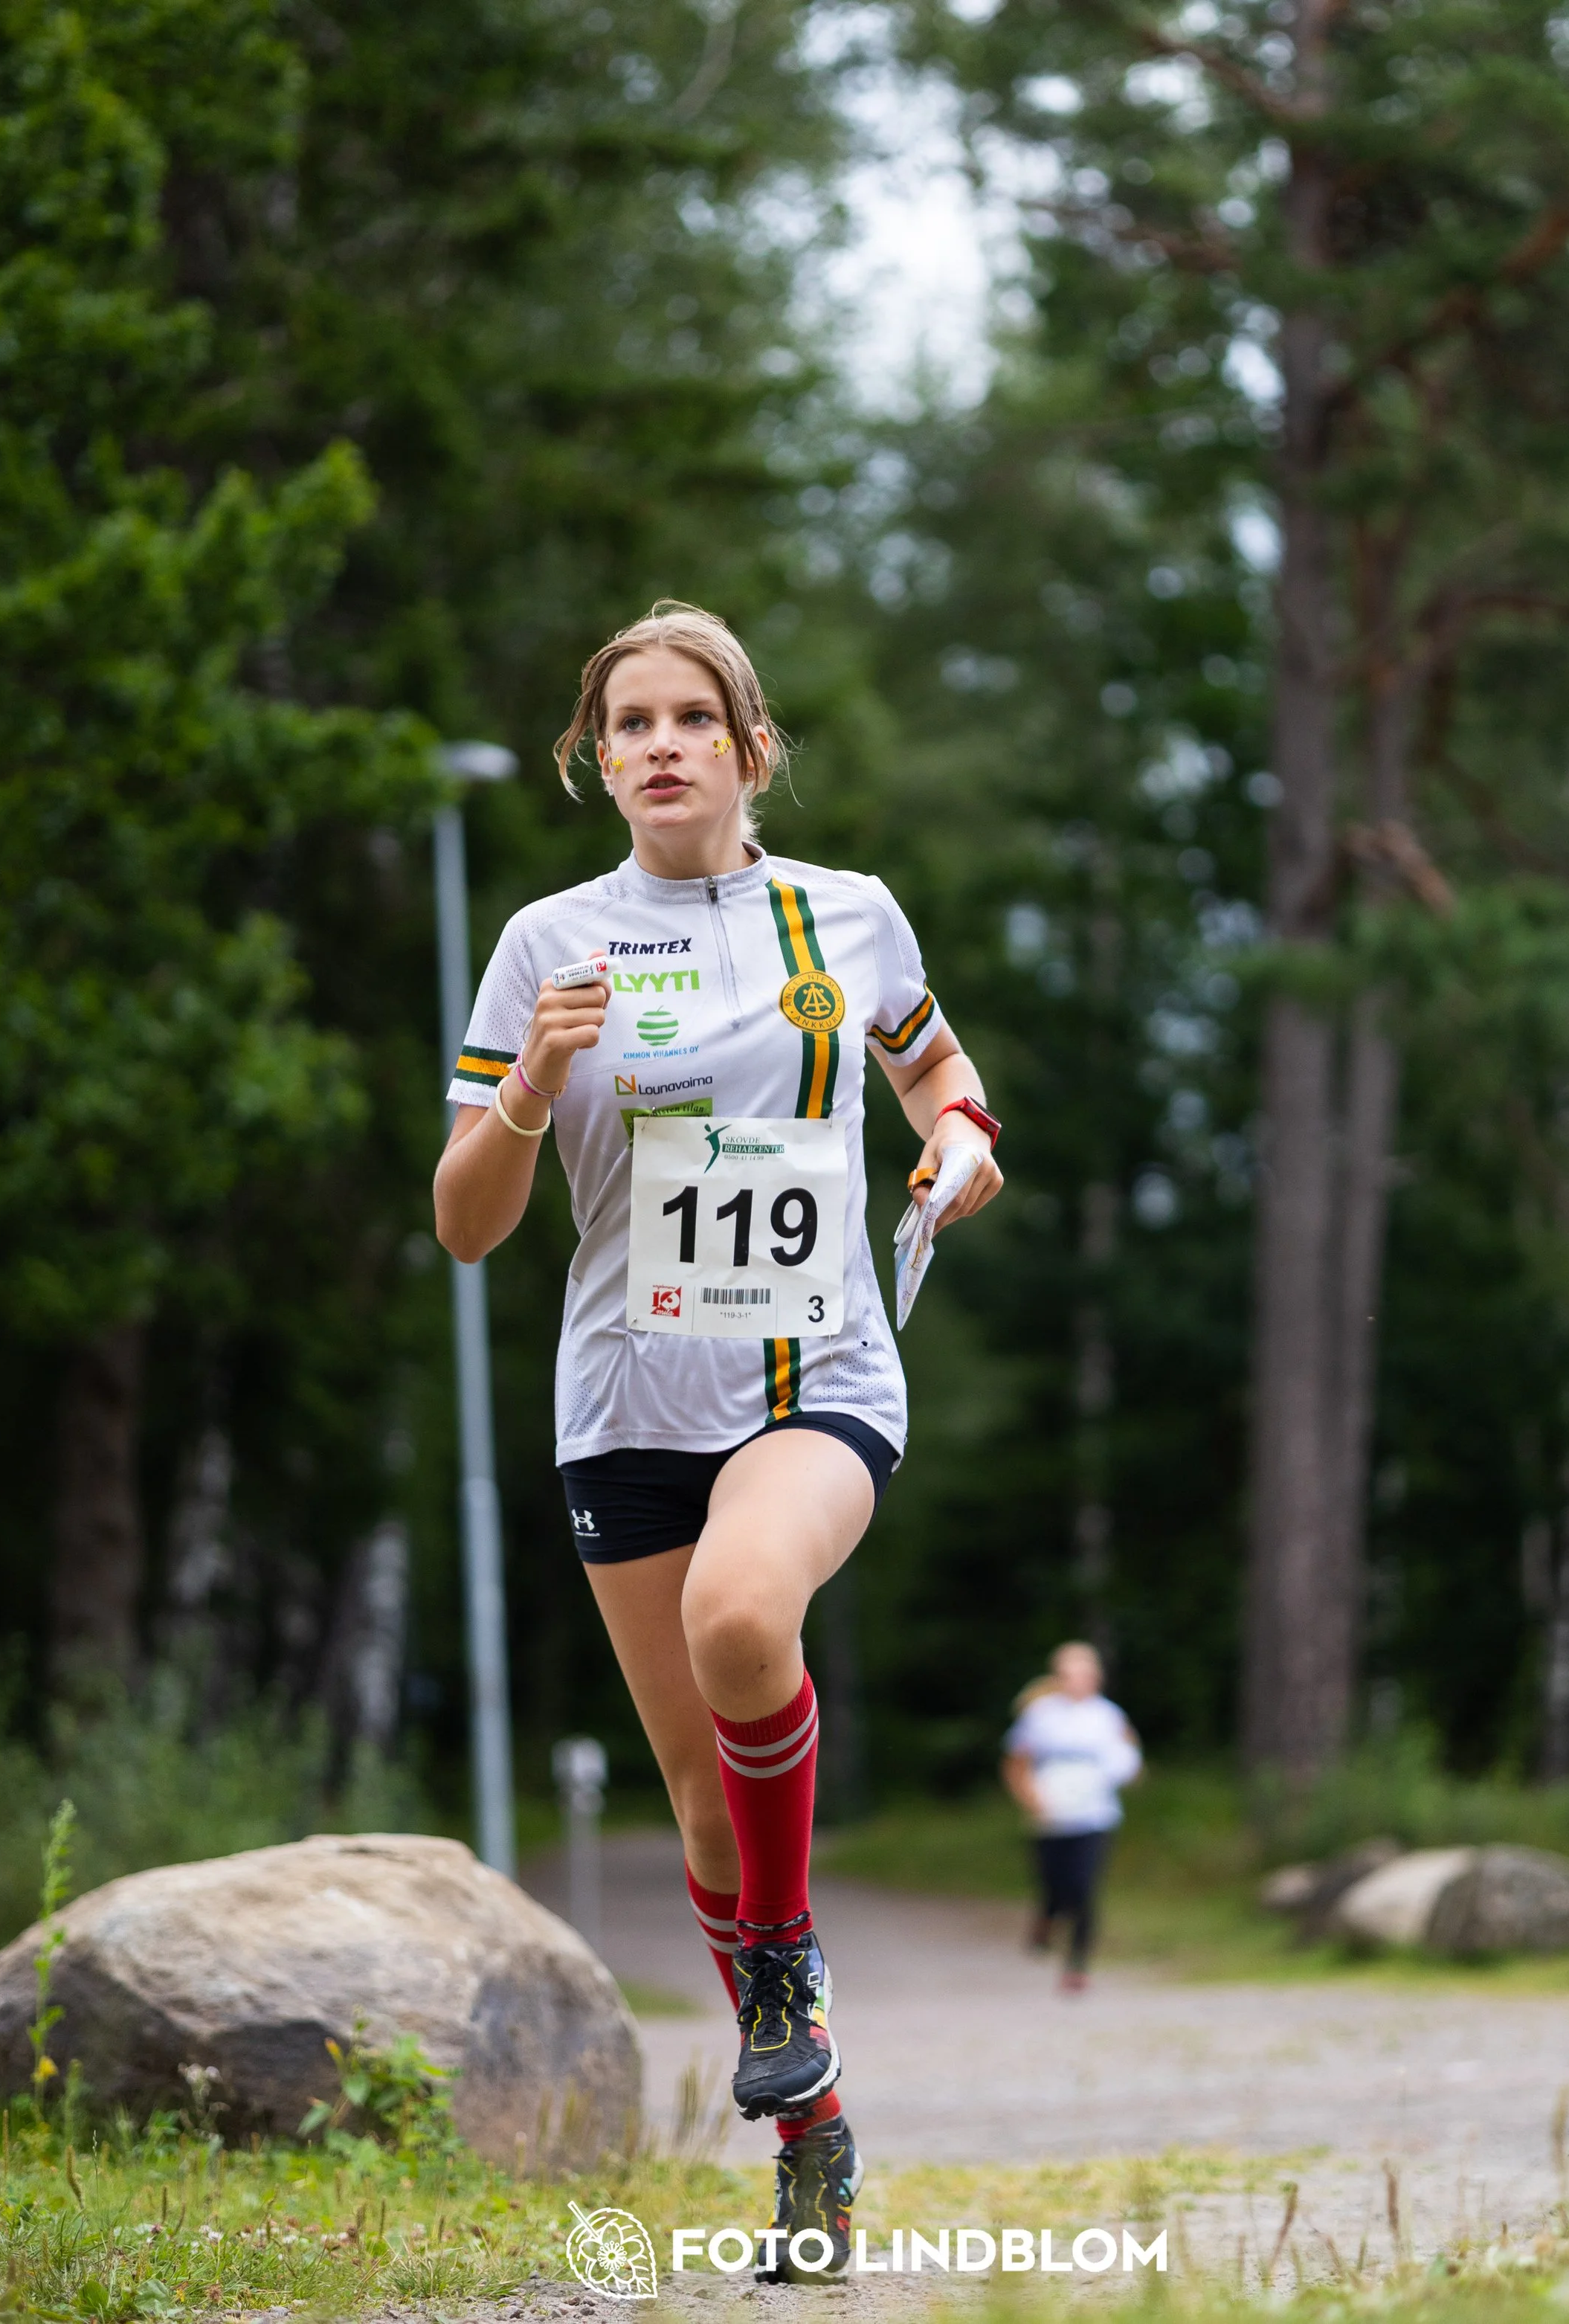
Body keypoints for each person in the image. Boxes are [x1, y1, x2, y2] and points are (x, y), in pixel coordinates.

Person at [433, 602, 1002, 2282]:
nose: (662, 744)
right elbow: (466, 1226)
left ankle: (781, 1968)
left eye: (695, 718)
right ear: (592, 760)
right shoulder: (547, 941)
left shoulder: (849, 915)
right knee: (697, 1805)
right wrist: (531, 1084)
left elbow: (941, 1079)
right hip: (624, 1399)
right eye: (630, 724)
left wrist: (957, 1148)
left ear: (752, 751)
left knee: (746, 1616)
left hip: (814, 1370)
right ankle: (810, 2131)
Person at [1002, 1641, 1141, 1992]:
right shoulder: (1040, 1715)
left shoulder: (1108, 1716)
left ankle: (1077, 1965)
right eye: (1070, 1675)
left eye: (1085, 1674)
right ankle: (1045, 1922)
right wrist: (1031, 1799)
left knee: (1084, 1888)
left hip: (1095, 1814)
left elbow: (1128, 1756)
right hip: (1051, 1815)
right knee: (1054, 1886)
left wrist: (1126, 1771)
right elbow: (1017, 1762)